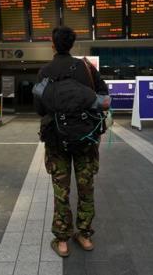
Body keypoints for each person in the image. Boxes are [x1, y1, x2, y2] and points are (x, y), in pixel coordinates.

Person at [34, 26, 109, 257]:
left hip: (57, 141)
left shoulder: (45, 71)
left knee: (61, 190)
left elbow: (39, 109)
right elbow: (104, 97)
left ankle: (62, 241)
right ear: (73, 44)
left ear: (52, 44)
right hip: (86, 139)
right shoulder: (87, 68)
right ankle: (85, 236)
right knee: (86, 187)